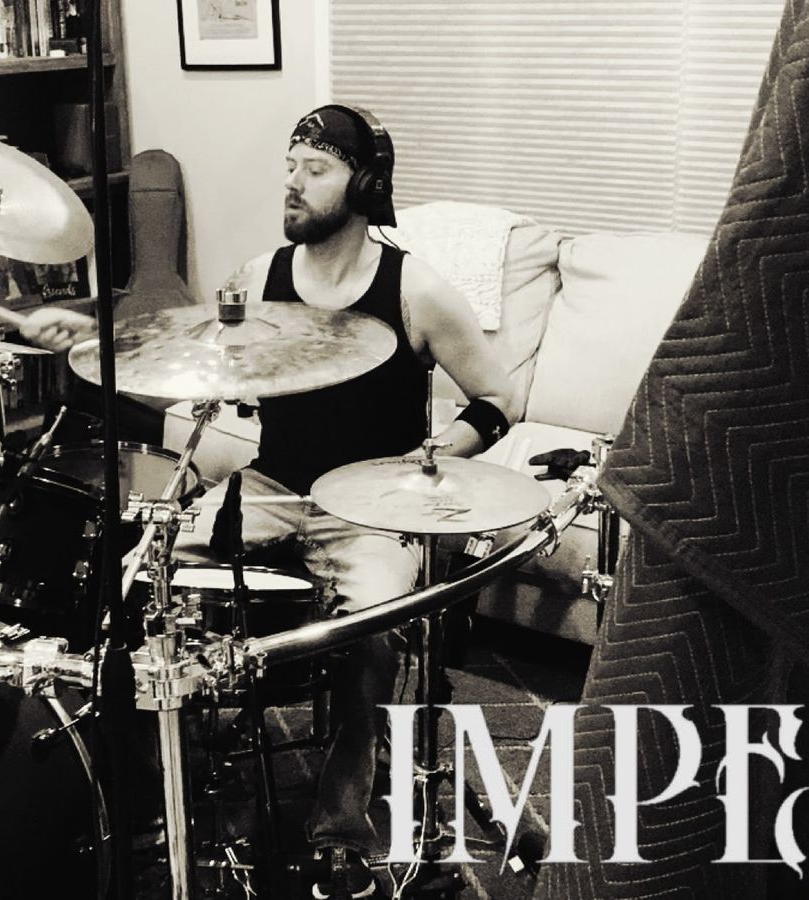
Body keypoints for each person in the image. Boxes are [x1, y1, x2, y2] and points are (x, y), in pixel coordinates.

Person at [174, 105, 514, 900]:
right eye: (289, 167)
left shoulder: (415, 288)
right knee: (157, 575)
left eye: (315, 169)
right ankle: (184, 779)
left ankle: (341, 824)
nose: (292, 184)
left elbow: (499, 397)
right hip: (272, 486)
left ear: (364, 184)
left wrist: (434, 458)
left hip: (372, 505)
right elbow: (214, 367)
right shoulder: (259, 276)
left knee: (374, 626)